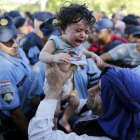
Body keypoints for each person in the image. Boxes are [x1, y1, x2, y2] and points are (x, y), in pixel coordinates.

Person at [28, 63, 140, 140]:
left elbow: (38, 137)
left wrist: (53, 90)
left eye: (100, 93)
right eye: (96, 85)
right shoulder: (115, 116)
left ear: (115, 107)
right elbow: (78, 105)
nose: (90, 90)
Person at [39, 3, 102, 132]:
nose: (83, 35)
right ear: (63, 29)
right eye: (78, 30)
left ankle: (65, 120)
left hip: (70, 82)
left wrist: (92, 54)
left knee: (75, 103)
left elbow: (81, 51)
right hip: (54, 83)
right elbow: (42, 55)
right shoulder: (55, 41)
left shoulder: (76, 44)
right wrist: (54, 58)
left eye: (86, 31)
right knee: (55, 109)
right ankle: (54, 127)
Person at [0, 16, 35, 140]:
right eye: (7, 40)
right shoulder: (4, 70)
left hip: (30, 108)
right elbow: (14, 112)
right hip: (18, 121)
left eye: (15, 37)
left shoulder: (17, 51)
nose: (14, 44)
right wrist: (33, 137)